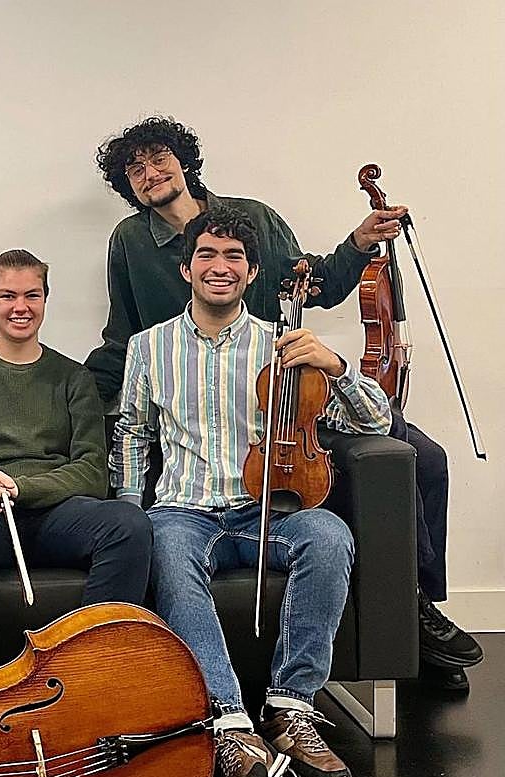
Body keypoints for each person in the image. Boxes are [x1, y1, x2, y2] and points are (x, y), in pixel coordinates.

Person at [85, 115, 480, 690]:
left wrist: (358, 246)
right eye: (135, 169)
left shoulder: (254, 219)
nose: (150, 174)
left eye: (159, 158)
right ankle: (230, 705)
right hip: (198, 406)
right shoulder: (131, 241)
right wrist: (70, 393)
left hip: (286, 384)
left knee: (422, 456)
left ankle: (413, 605)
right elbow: (122, 335)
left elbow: (314, 282)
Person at [113, 206, 392, 777]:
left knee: (330, 535)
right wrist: (131, 514)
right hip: (184, 509)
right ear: (186, 269)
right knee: (167, 550)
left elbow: (377, 421)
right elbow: (132, 434)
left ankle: (291, 709)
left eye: (234, 257)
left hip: (270, 506)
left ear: (253, 271)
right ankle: (230, 726)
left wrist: (337, 366)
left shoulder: (284, 346)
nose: (221, 267)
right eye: (207, 255)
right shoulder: (148, 348)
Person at [0, 249, 151, 675]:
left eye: (32, 295)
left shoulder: (74, 378)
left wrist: (20, 487)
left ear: (45, 299)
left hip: (58, 517)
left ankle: (87, 673)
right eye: (8, 296)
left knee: (129, 524)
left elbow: (92, 472)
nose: (21, 307)